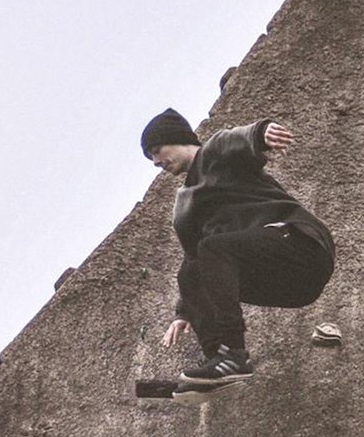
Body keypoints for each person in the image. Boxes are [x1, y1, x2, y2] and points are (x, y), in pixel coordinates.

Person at [141, 108, 334, 394]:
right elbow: (194, 264)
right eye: (151, 159)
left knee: (213, 248)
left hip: (301, 246)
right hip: (291, 285)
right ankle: (220, 364)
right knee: (191, 270)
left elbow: (235, 140)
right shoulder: (185, 205)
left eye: (157, 151)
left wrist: (261, 133)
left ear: (178, 138)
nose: (157, 162)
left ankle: (233, 350)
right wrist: (185, 311)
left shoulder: (213, 153)